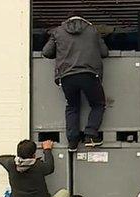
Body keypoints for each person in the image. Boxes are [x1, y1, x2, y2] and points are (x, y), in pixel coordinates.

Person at [42, 12, 109, 151]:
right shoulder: (93, 30)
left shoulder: (58, 32)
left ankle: (72, 142)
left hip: (67, 76)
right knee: (98, 104)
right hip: (89, 74)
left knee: (72, 106)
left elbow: (47, 52)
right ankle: (90, 135)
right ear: (84, 20)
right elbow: (104, 53)